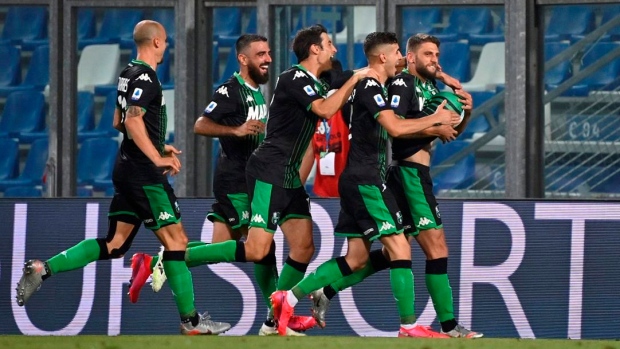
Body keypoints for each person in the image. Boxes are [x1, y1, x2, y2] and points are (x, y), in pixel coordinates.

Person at [125, 24, 370, 335]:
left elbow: (336, 86)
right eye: (330, 44)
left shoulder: (297, 85)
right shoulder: (288, 79)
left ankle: (275, 317)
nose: (267, 58)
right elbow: (202, 124)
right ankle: (171, 257)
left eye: (269, 52)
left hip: (285, 175)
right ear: (315, 49)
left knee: (302, 247)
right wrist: (357, 78)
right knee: (256, 250)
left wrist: (377, 69)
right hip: (259, 173)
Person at [14, 20, 230, 335]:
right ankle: (191, 321)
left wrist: (156, 142)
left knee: (115, 244)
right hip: (144, 173)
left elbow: (117, 119)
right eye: (166, 41)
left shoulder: (127, 74)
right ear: (156, 42)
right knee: (177, 243)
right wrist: (157, 156)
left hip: (127, 168)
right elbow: (130, 121)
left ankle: (42, 269)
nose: (167, 46)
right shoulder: (147, 78)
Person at [270, 32, 461, 338]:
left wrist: (444, 83)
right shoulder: (370, 86)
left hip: (361, 178)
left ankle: (288, 297)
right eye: (398, 51)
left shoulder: (375, 84)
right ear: (383, 57)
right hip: (366, 180)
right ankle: (409, 326)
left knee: (356, 258)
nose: (402, 57)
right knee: (399, 248)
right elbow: (395, 127)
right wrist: (435, 120)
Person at [299, 59, 351, 198]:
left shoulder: (348, 108)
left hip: (349, 194)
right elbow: (310, 151)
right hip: (322, 194)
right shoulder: (314, 110)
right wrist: (294, 191)